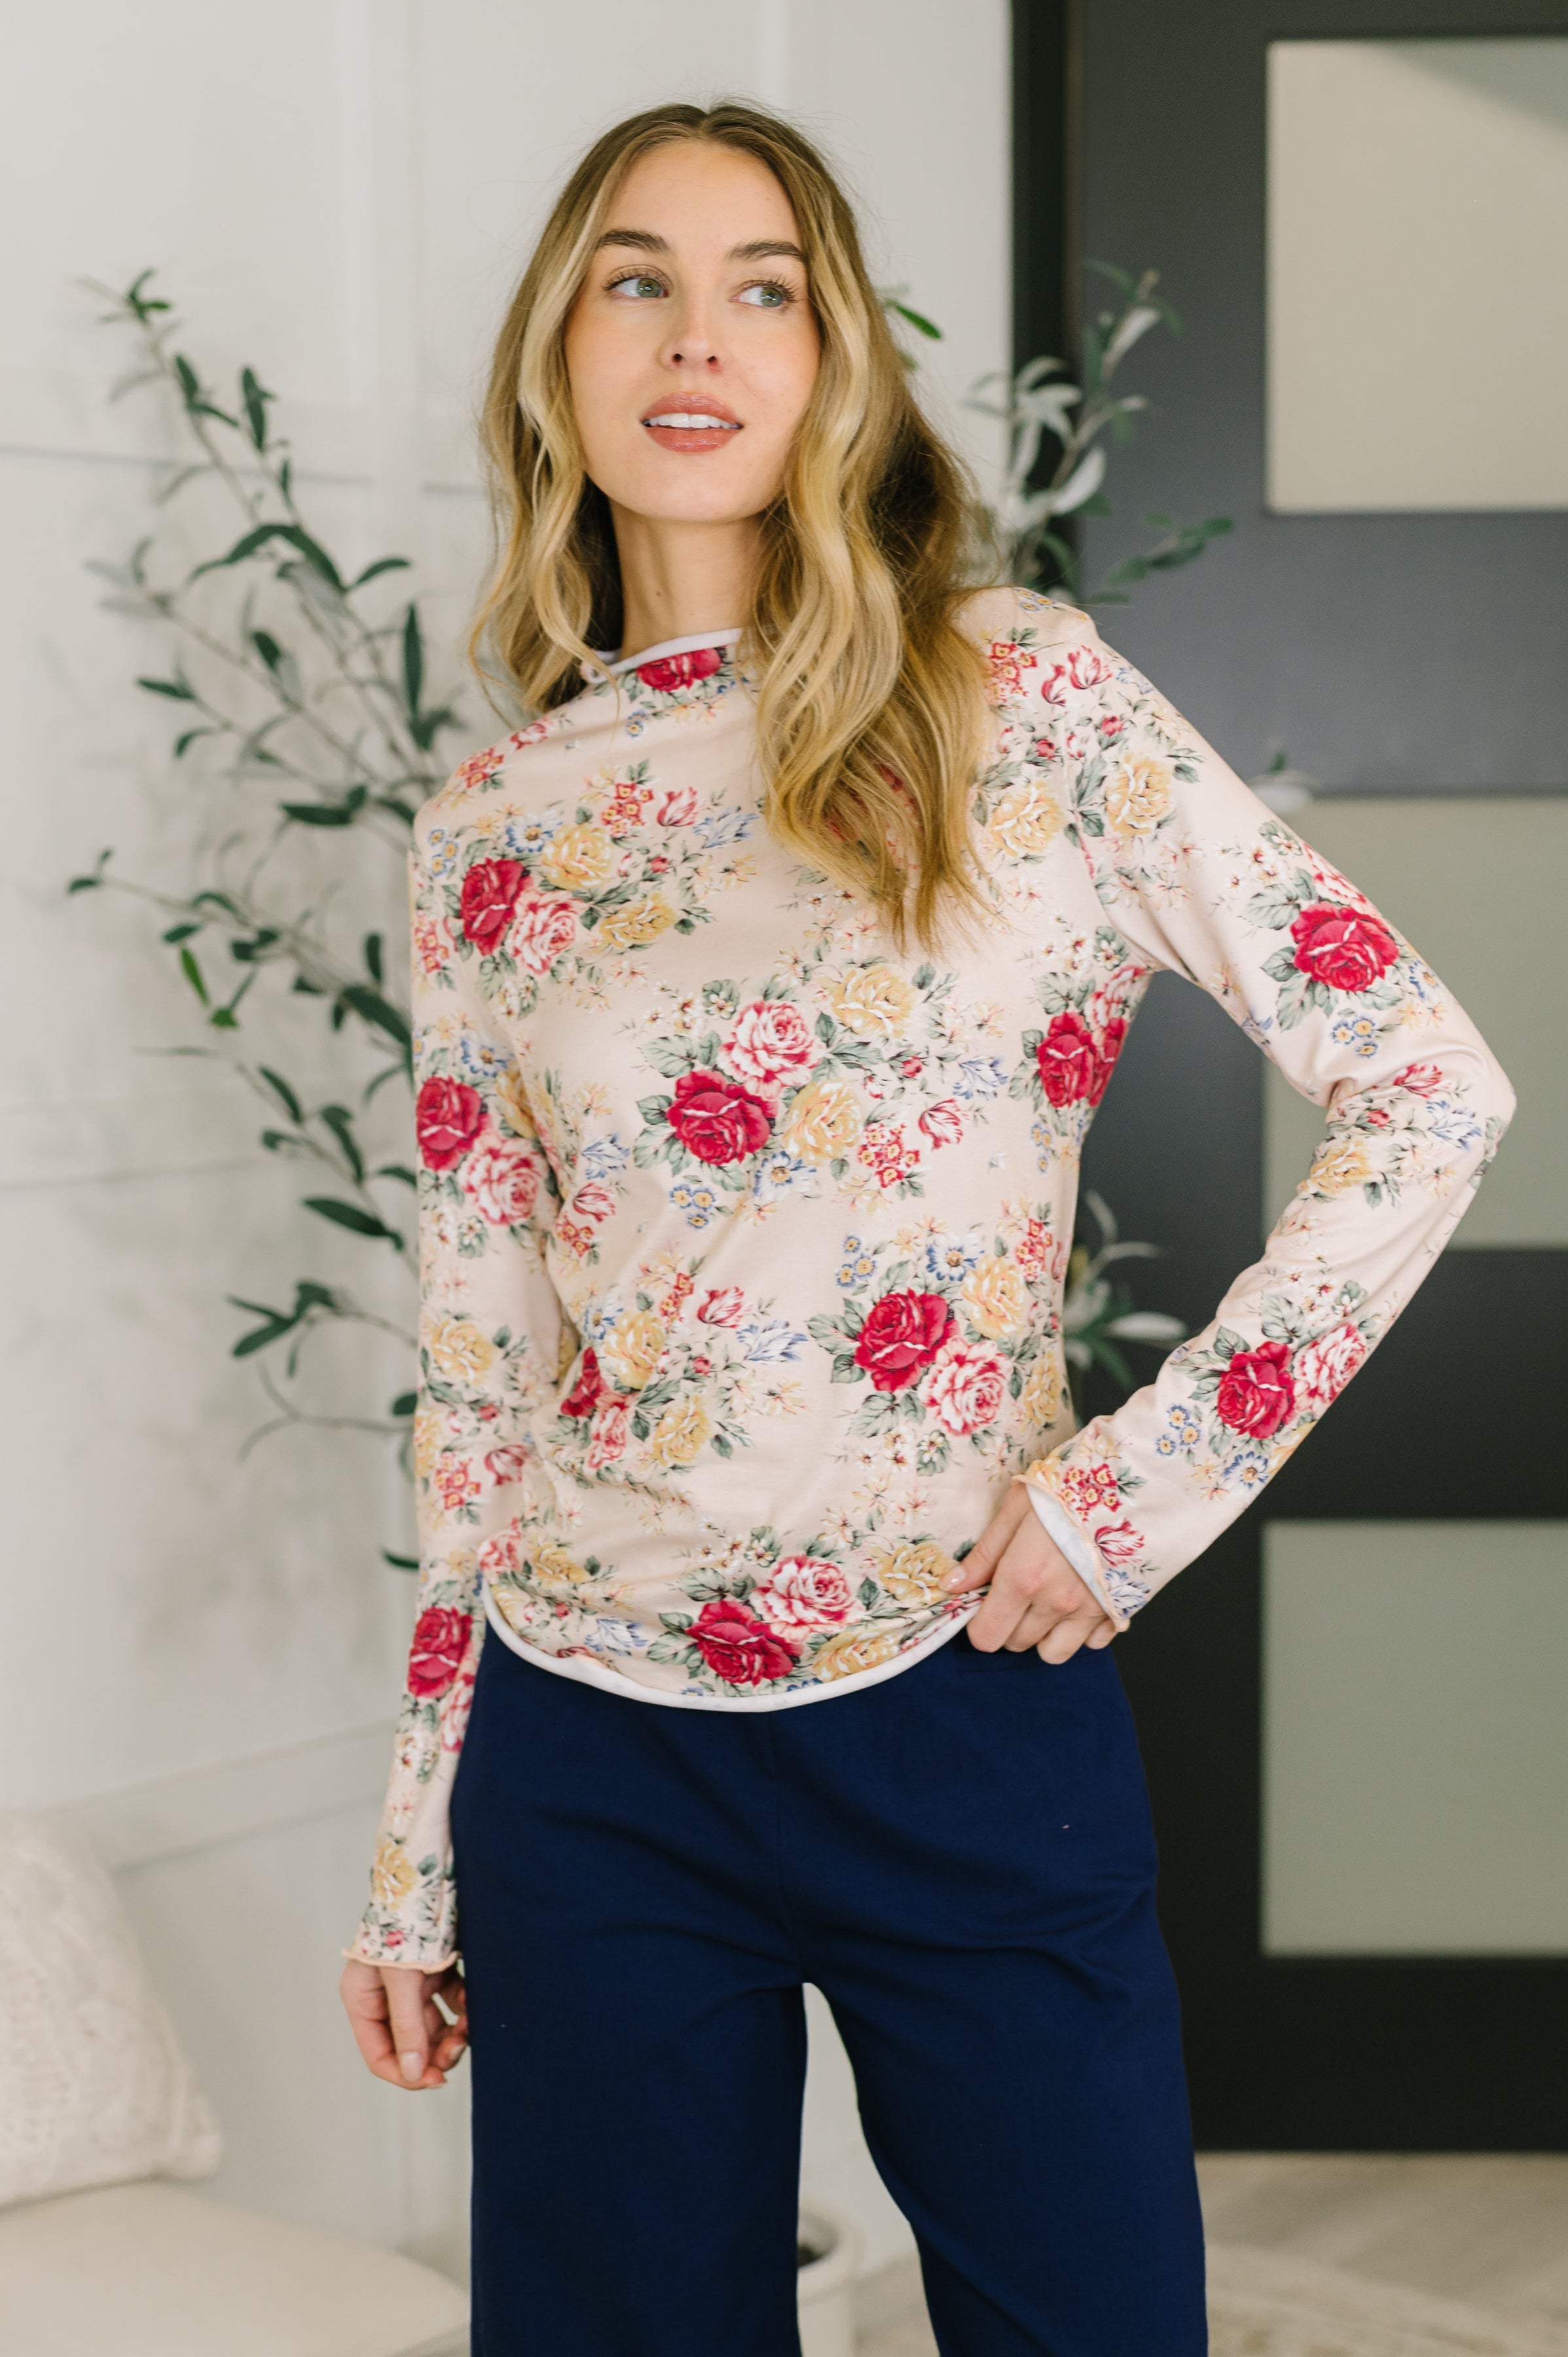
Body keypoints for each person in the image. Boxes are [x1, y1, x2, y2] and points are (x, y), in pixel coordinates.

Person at [338, 100, 1512, 2356]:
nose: (697, 338)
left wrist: (1131, 1496)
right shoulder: (490, 821)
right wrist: (417, 1839)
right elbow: (476, 1357)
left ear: (835, 361)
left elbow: (1426, 1082)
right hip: (588, 1742)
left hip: (965, 1697)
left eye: (762, 288)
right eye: (635, 280)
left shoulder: (1018, 696)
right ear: (556, 356)